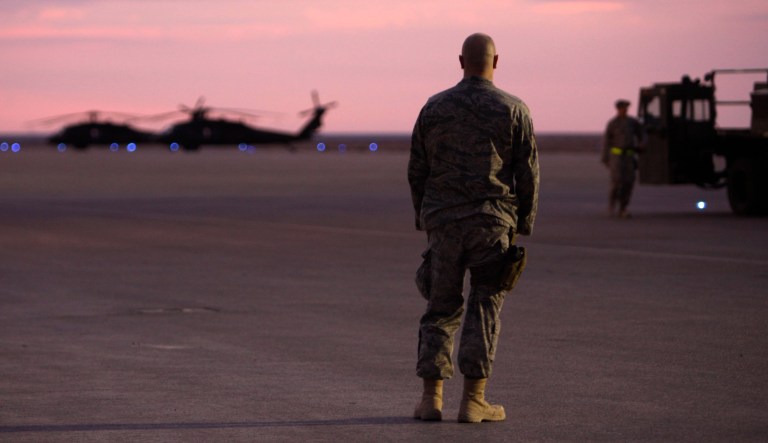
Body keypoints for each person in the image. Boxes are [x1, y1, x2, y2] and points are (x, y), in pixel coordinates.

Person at [407, 33, 539, 423]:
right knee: (485, 306)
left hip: (444, 223)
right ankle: (473, 401)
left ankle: (431, 399)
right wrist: (523, 222)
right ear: (496, 62)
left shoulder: (434, 108)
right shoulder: (513, 108)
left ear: (460, 60)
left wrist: (425, 217)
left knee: (440, 307)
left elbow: (417, 169)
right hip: (492, 223)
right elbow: (528, 172)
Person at [601, 99, 643, 218]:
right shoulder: (613, 123)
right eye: (624, 107)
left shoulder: (632, 122)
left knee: (628, 182)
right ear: (618, 109)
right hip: (616, 157)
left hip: (629, 156)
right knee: (617, 181)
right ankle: (612, 205)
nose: (626, 109)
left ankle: (623, 207)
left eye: (626, 108)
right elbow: (606, 141)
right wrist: (605, 158)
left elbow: (642, 134)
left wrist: (642, 145)